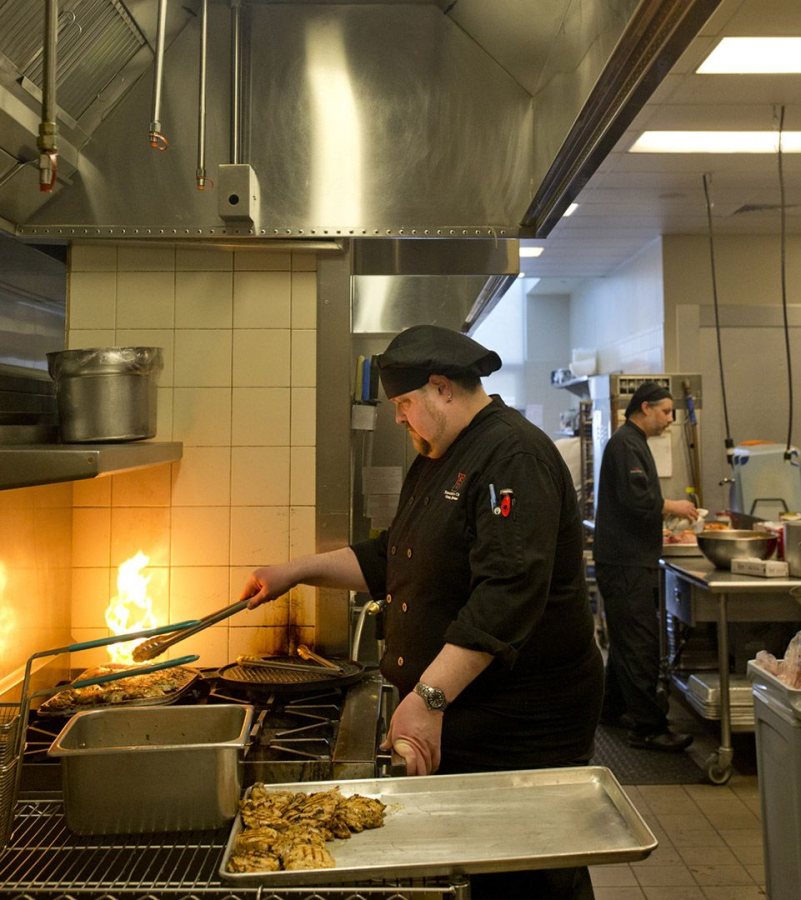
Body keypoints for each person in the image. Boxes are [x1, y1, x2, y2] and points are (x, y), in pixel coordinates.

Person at [240, 324, 604, 900]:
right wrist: (295, 572)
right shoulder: (438, 455)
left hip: (518, 723)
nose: (399, 418)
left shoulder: (513, 454)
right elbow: (393, 556)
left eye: (404, 403)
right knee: (479, 874)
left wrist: (430, 696)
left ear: (442, 388)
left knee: (527, 877)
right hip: (469, 711)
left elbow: (506, 594)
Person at [593, 380, 698, 752]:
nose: (670, 419)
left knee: (625, 641)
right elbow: (639, 500)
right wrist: (673, 507)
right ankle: (648, 727)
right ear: (645, 408)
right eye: (667, 411)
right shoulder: (626, 445)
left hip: (625, 559)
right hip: (625, 563)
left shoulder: (633, 444)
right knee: (640, 643)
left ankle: (613, 709)